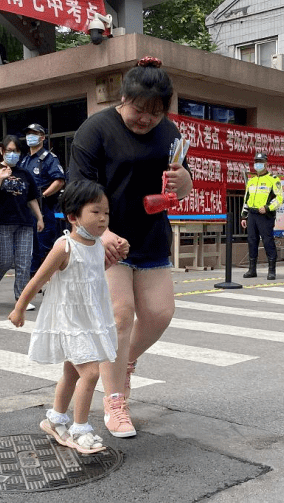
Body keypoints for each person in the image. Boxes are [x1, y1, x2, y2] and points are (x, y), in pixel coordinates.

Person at [68, 56, 192, 439]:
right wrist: (99, 234)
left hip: (151, 233)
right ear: (123, 98)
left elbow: (181, 190)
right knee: (120, 317)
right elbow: (78, 188)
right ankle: (115, 400)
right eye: (139, 110)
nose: (146, 120)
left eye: (155, 113)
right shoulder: (95, 130)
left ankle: (125, 362)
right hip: (105, 237)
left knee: (159, 313)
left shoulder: (170, 134)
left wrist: (183, 180)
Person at [9, 180, 120, 455]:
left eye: (106, 212)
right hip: (69, 323)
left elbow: (91, 278)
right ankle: (80, 428)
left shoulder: (96, 245)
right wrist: (20, 308)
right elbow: (38, 280)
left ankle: (55, 419)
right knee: (91, 373)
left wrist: (113, 258)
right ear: (73, 217)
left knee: (72, 372)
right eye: (96, 212)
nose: (103, 218)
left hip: (88, 320)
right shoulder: (64, 246)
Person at [0, 135, 45, 311]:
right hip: (2, 221)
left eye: (15, 151)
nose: (12, 154)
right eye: (8, 150)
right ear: (2, 151)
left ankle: (21, 298)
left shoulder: (25, 174)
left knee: (24, 261)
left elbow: (32, 198)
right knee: (5, 259)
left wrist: (39, 218)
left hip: (24, 221)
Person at [19, 123, 66, 278]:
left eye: (35, 133)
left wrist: (43, 195)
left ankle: (47, 278)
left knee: (43, 245)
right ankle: (33, 278)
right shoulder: (25, 160)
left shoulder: (48, 158)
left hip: (44, 209)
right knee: (29, 246)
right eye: (28, 133)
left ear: (42, 137)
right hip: (27, 209)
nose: (30, 136)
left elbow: (59, 181)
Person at [240, 153, 282, 279]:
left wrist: (268, 207)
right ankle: (252, 270)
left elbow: (279, 199)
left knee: (268, 241)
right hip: (252, 215)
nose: (258, 164)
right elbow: (246, 199)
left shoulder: (273, 179)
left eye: (261, 161)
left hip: (265, 215)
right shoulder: (251, 181)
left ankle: (272, 270)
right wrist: (244, 215)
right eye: (256, 161)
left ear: (266, 163)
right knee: (252, 241)